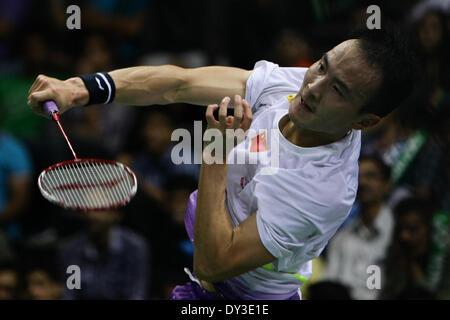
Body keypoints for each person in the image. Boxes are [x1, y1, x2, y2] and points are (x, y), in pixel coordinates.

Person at [28, 28, 417, 300]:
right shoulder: (298, 84)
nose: (312, 87)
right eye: (322, 65)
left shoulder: (320, 189)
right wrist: (79, 88)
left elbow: (214, 262)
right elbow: (177, 84)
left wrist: (215, 150)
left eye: (337, 89)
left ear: (364, 121)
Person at [323, 155, 394, 299]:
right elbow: (329, 285)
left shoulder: (398, 234)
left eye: (371, 176)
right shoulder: (342, 238)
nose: (362, 182)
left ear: (387, 184)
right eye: (357, 176)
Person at [59, 208, 150, 300]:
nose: (93, 215)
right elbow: (72, 292)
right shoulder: (71, 250)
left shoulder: (134, 247)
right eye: (89, 209)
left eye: (99, 209)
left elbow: (136, 293)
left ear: (116, 214)